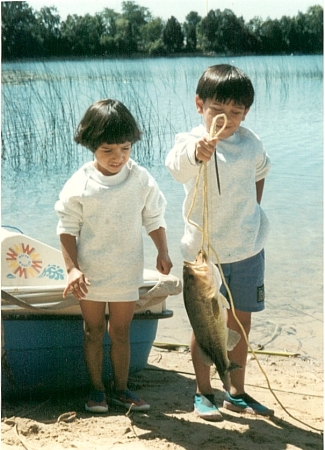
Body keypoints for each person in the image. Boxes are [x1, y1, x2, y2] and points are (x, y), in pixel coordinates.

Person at [165, 64, 274, 421]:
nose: (226, 119)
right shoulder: (190, 140)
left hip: (246, 249)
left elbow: (261, 171)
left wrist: (250, 213)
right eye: (217, 110)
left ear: (246, 113)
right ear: (200, 104)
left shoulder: (250, 142)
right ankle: (203, 391)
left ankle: (235, 391)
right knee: (206, 323)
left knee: (240, 323)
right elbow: (176, 166)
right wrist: (198, 152)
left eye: (236, 113)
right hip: (204, 255)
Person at [55, 99, 173, 413]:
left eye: (125, 148)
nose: (118, 157)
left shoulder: (141, 179)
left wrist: (162, 250)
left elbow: (154, 218)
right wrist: (72, 270)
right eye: (108, 150)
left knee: (120, 331)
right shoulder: (80, 183)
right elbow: (66, 228)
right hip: (90, 274)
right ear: (91, 145)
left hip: (126, 271)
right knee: (93, 331)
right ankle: (96, 390)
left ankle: (121, 389)